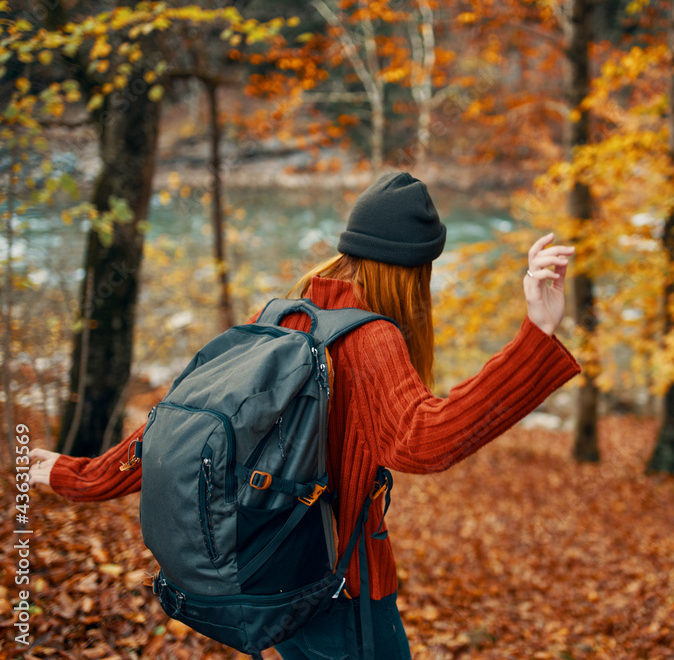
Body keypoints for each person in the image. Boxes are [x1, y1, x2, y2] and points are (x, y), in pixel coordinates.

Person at [30, 171, 580, 659]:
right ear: (416, 273)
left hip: (271, 579)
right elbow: (423, 441)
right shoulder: (371, 340)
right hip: (341, 595)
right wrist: (536, 335)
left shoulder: (277, 317)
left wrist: (73, 474)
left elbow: (181, 426)